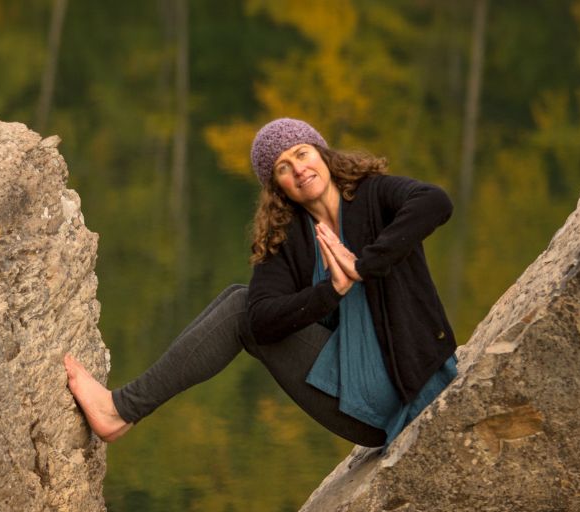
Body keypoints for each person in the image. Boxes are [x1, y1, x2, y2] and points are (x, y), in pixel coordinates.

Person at [64, 117, 458, 448]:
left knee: (239, 305)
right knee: (241, 300)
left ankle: (120, 411)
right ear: (278, 187)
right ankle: (120, 411)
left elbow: (435, 202)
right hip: (356, 404)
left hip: (409, 390)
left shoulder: (375, 195)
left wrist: (362, 265)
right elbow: (260, 319)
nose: (298, 168)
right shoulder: (289, 237)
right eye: (283, 167)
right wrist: (329, 292)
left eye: (302, 153)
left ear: (322, 154)